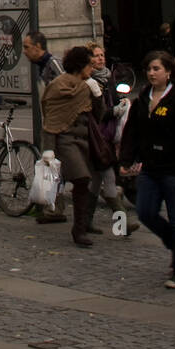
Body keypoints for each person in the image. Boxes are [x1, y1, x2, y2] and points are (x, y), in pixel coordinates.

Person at [120, 51, 175, 289]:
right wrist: (126, 159)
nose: (151, 73)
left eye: (156, 69)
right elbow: (132, 130)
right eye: (149, 69)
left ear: (168, 72)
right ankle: (173, 242)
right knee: (145, 212)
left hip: (174, 170)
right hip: (150, 169)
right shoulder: (144, 97)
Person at [41, 46, 103, 247]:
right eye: (89, 66)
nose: (91, 70)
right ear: (80, 66)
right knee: (82, 178)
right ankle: (79, 229)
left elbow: (100, 115)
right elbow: (51, 118)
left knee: (85, 182)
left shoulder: (87, 87)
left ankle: (82, 225)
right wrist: (48, 149)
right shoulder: (58, 86)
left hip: (84, 141)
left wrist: (97, 95)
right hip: (66, 141)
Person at [86, 42, 139, 233]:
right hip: (96, 136)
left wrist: (121, 104)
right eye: (96, 55)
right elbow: (96, 113)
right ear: (88, 60)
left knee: (96, 182)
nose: (101, 58)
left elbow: (114, 100)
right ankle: (121, 226)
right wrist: (114, 111)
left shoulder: (108, 77)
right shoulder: (88, 82)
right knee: (107, 178)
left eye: (102, 55)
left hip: (106, 136)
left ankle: (85, 223)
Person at [24, 32, 67, 224]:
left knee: (55, 164)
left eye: (27, 47)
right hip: (52, 122)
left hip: (59, 124)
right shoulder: (41, 66)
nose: (24, 51)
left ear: (38, 47)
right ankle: (54, 208)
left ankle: (57, 209)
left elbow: (67, 87)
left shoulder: (53, 64)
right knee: (54, 165)